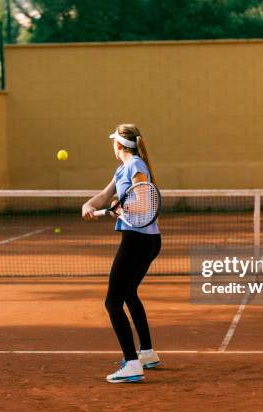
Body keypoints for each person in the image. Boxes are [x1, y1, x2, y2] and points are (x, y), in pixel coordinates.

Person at [82, 124, 162, 383]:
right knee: (128, 293)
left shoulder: (136, 166)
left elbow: (143, 203)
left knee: (112, 302)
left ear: (118, 145)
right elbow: (106, 195)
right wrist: (90, 204)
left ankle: (131, 363)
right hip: (146, 240)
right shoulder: (122, 169)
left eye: (112, 142)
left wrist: (117, 210)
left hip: (138, 240)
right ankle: (147, 353)